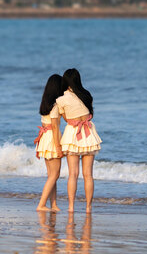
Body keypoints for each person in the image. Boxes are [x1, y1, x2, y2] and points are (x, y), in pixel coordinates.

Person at [57, 69, 102, 213]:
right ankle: (88, 207)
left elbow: (66, 119)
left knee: (73, 175)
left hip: (73, 134)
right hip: (88, 133)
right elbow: (91, 115)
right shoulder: (87, 95)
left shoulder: (61, 99)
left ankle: (71, 207)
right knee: (88, 175)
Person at [35, 74, 64, 212]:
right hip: (52, 139)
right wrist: (59, 147)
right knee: (55, 175)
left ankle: (53, 204)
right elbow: (55, 127)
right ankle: (41, 204)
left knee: (51, 175)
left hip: (45, 138)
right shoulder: (56, 105)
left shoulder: (45, 103)